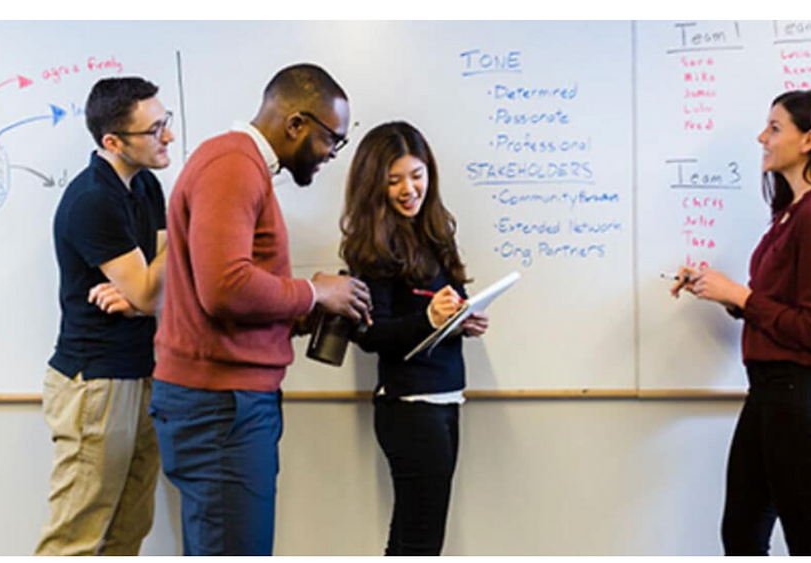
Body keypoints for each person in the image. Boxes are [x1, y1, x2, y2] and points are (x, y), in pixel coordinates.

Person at [150, 63, 372, 555]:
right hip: (220, 407)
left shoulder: (240, 166)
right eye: (331, 139)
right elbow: (225, 288)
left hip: (227, 402)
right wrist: (313, 293)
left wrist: (303, 314)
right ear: (295, 124)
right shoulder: (232, 166)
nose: (332, 154)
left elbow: (228, 300)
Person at [671, 89, 811, 555]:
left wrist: (741, 295)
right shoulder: (793, 212)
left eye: (775, 128)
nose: (762, 137)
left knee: (810, 546)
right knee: (741, 534)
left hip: (803, 394)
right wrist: (723, 292)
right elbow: (785, 306)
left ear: (809, 140)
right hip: (774, 392)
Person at [37, 76, 174, 555]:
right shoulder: (93, 198)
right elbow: (153, 288)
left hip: (142, 373)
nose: (168, 137)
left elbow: (157, 289)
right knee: (76, 541)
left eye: (166, 122)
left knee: (126, 534)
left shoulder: (147, 186)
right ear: (112, 142)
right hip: (95, 383)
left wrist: (142, 295)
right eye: (155, 129)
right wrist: (177, 244)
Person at [340, 121, 489, 555]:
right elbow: (369, 334)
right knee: (422, 542)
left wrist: (460, 321)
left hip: (444, 400)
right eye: (394, 180)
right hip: (410, 407)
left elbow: (440, 309)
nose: (409, 189)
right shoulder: (372, 246)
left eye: (417, 175)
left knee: (411, 537)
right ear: (375, 186)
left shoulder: (435, 232)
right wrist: (428, 318)